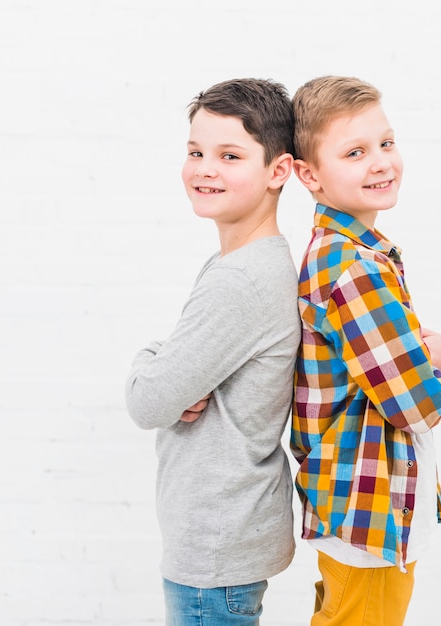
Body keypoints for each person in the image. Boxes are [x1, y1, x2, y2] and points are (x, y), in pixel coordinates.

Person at [125, 78, 300, 626]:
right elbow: (171, 381)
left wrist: (149, 361)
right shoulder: (243, 265)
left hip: (214, 552)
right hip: (224, 541)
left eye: (229, 155)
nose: (204, 168)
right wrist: (170, 360)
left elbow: (148, 402)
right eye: (196, 152)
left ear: (278, 171)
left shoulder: (242, 281)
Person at [290, 75, 441, 626]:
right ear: (308, 174)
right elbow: (416, 406)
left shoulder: (346, 252)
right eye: (355, 152)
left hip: (356, 505)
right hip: (369, 510)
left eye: (385, 143)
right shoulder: (355, 269)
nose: (381, 162)